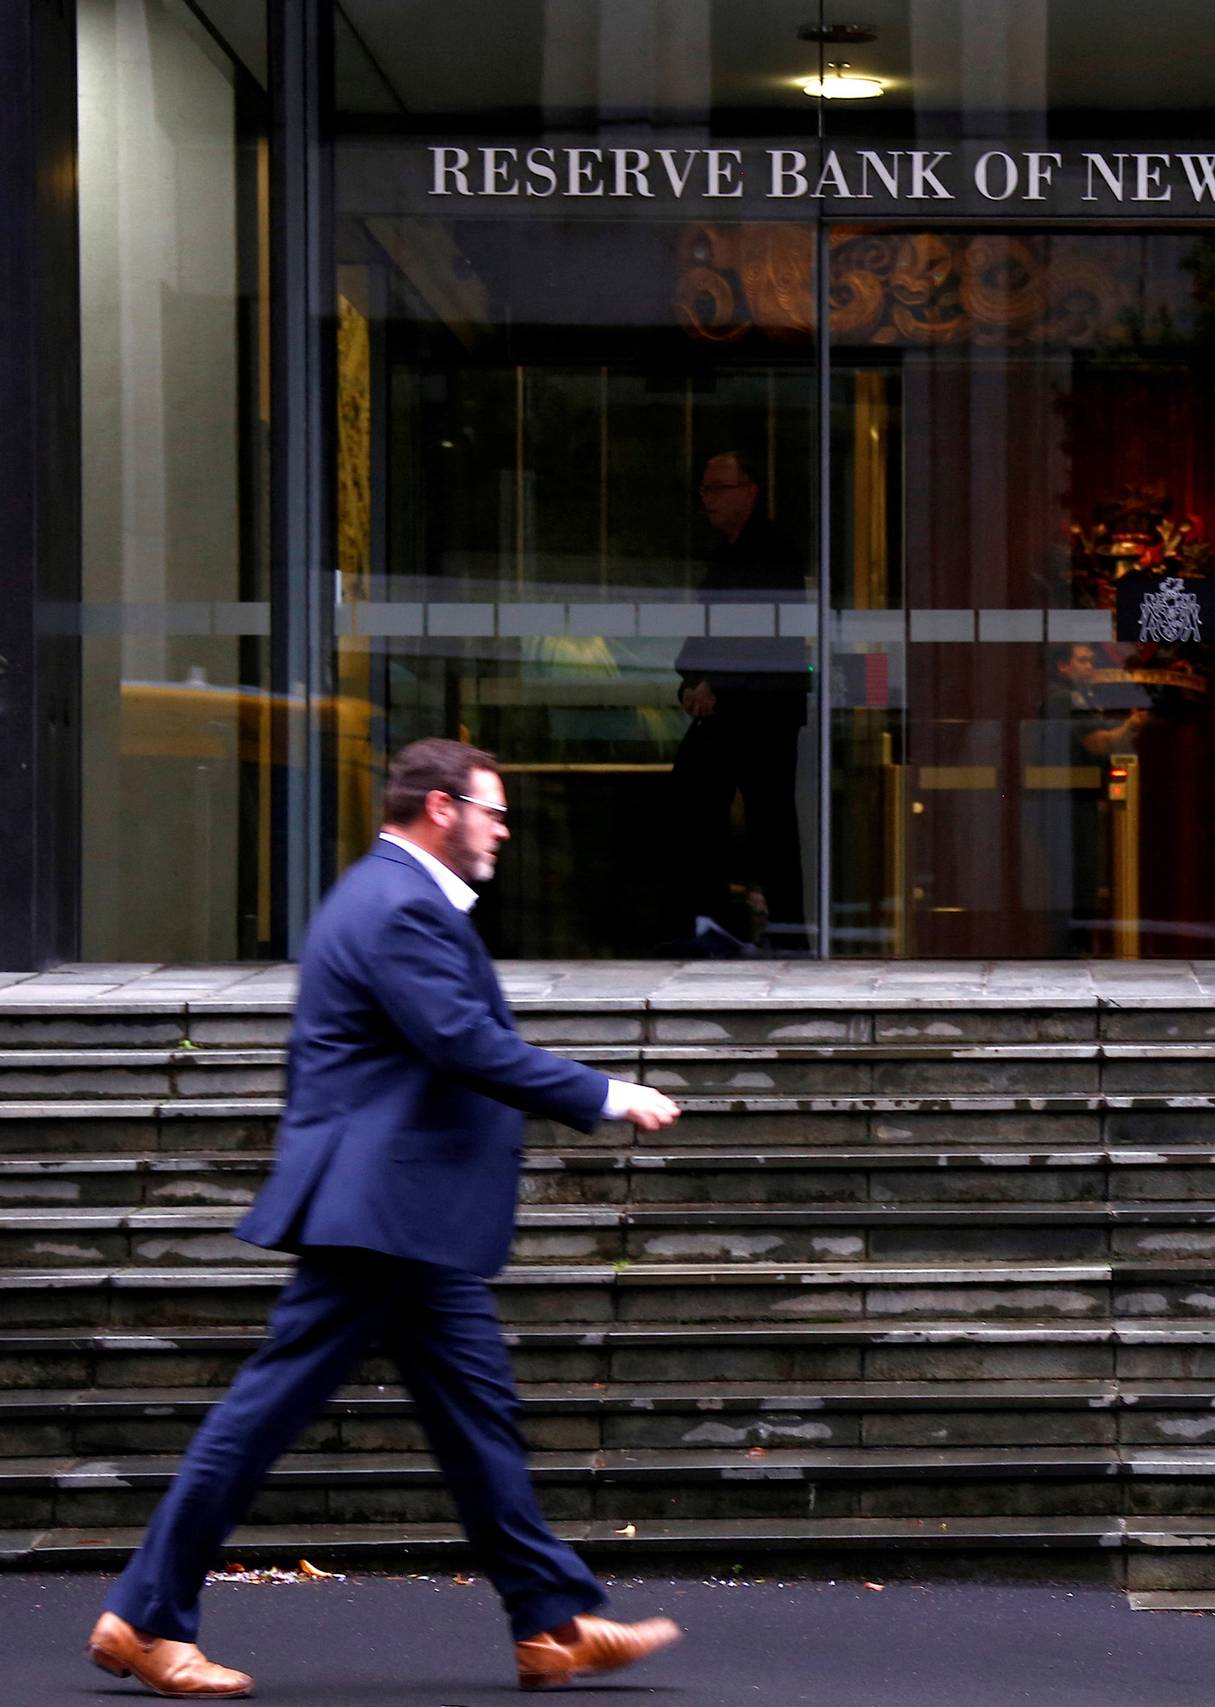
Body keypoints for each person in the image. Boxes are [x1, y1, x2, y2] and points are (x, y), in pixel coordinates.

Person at [86, 738, 687, 1698]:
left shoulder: (390, 895)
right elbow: (461, 1040)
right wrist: (606, 1092)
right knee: (260, 1418)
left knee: (479, 1418)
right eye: (492, 810)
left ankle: (550, 1621)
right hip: (376, 1214)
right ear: (442, 807)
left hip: (405, 1218)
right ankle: (146, 1618)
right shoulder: (399, 903)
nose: (502, 828)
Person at [670, 450, 811, 954]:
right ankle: (716, 923)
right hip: (732, 704)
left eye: (717, 489)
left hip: (761, 708)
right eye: (705, 489)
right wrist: (689, 682)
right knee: (701, 803)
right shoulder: (724, 556)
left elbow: (766, 638)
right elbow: (706, 636)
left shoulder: (772, 552)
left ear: (748, 492)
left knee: (765, 820)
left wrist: (715, 685)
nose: (707, 500)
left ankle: (774, 931)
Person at [1037, 642, 1150, 952]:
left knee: (1080, 880)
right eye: (1082, 661)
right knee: (1077, 881)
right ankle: (1071, 950)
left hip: (1072, 801)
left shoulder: (1080, 698)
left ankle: (1075, 948)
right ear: (1063, 666)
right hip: (1068, 804)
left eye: (1091, 661)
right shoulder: (1066, 698)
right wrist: (1130, 726)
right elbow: (1097, 743)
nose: (1090, 666)